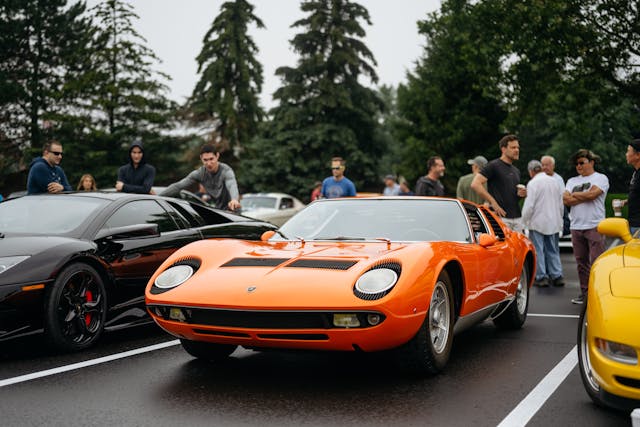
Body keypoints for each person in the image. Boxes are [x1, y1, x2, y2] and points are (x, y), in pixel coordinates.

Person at [563, 149, 609, 304]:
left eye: (582, 162)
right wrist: (585, 195)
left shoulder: (600, 178)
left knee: (597, 262)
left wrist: (575, 195)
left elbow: (593, 195)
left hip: (595, 225)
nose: (578, 166)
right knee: (581, 263)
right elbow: (566, 201)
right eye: (576, 164)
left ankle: (599, 295)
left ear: (592, 162)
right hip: (576, 226)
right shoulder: (571, 180)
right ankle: (586, 295)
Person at [521, 160, 564, 287]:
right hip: (554, 221)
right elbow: (560, 204)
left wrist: (524, 222)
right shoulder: (554, 181)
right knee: (553, 249)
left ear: (531, 171)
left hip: (538, 222)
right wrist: (560, 219)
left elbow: (529, 205)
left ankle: (541, 277)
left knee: (538, 250)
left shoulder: (533, 183)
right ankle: (557, 275)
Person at [471, 134, 526, 233]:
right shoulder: (494, 165)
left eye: (518, 147)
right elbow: (475, 184)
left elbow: (509, 194)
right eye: (513, 147)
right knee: (503, 248)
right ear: (503, 149)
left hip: (517, 217)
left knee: (518, 248)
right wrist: (493, 202)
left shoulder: (516, 170)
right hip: (501, 219)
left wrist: (521, 195)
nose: (517, 150)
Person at [160, 144, 241, 211]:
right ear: (201, 159)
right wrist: (158, 197)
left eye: (211, 159)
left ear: (217, 156)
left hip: (233, 209)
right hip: (218, 210)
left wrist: (234, 199)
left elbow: (232, 184)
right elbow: (178, 186)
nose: (209, 163)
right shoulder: (199, 173)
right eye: (205, 160)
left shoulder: (226, 171)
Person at [612, 139, 640, 236]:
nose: (626, 154)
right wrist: (625, 202)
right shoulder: (636, 173)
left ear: (638, 155)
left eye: (628, 151)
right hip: (634, 224)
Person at [541, 154, 570, 236]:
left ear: (553, 166)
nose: (544, 167)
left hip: (556, 209)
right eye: (543, 165)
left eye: (547, 165)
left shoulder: (558, 179)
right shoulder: (538, 179)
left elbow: (562, 197)